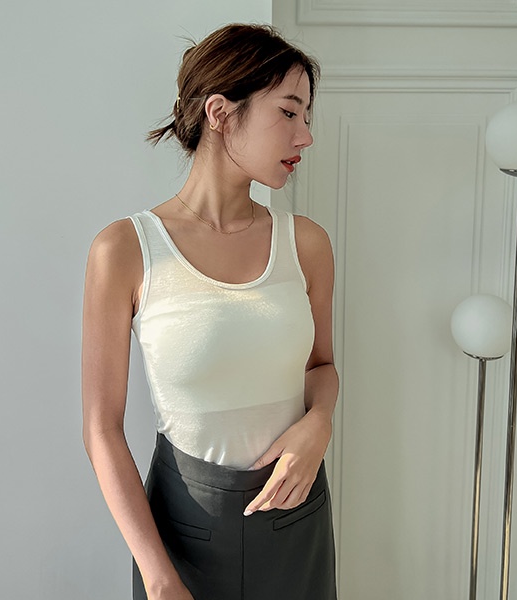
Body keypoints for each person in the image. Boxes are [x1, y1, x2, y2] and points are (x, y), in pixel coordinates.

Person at [81, 23, 339, 600]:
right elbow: (101, 428)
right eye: (289, 112)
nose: (305, 135)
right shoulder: (125, 250)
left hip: (296, 519)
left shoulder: (306, 244)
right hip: (180, 533)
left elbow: (321, 367)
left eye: (307, 116)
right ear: (220, 113)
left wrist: (318, 423)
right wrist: (157, 576)